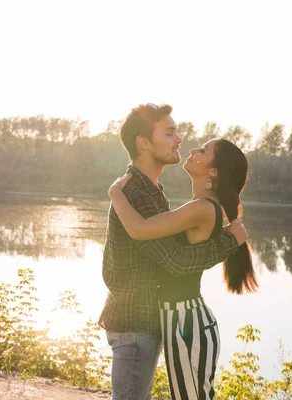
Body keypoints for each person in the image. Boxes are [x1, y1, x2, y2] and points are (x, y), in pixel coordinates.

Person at [98, 103, 247, 400]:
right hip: (136, 322)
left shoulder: (153, 193)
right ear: (144, 142)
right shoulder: (137, 193)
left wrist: (231, 240)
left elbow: (176, 260)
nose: (181, 140)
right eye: (169, 133)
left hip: (164, 322)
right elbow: (176, 261)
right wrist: (230, 242)